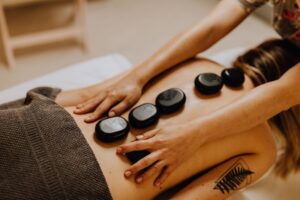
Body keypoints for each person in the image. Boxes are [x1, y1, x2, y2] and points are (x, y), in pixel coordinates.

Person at [3, 39, 289, 200]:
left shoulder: (195, 62)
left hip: (36, 121)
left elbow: (89, 94)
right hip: (79, 184)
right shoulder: (262, 148)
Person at [73, 0, 300, 187]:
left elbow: (282, 94)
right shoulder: (263, 152)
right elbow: (212, 26)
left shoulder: (262, 151)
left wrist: (193, 134)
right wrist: (136, 78)